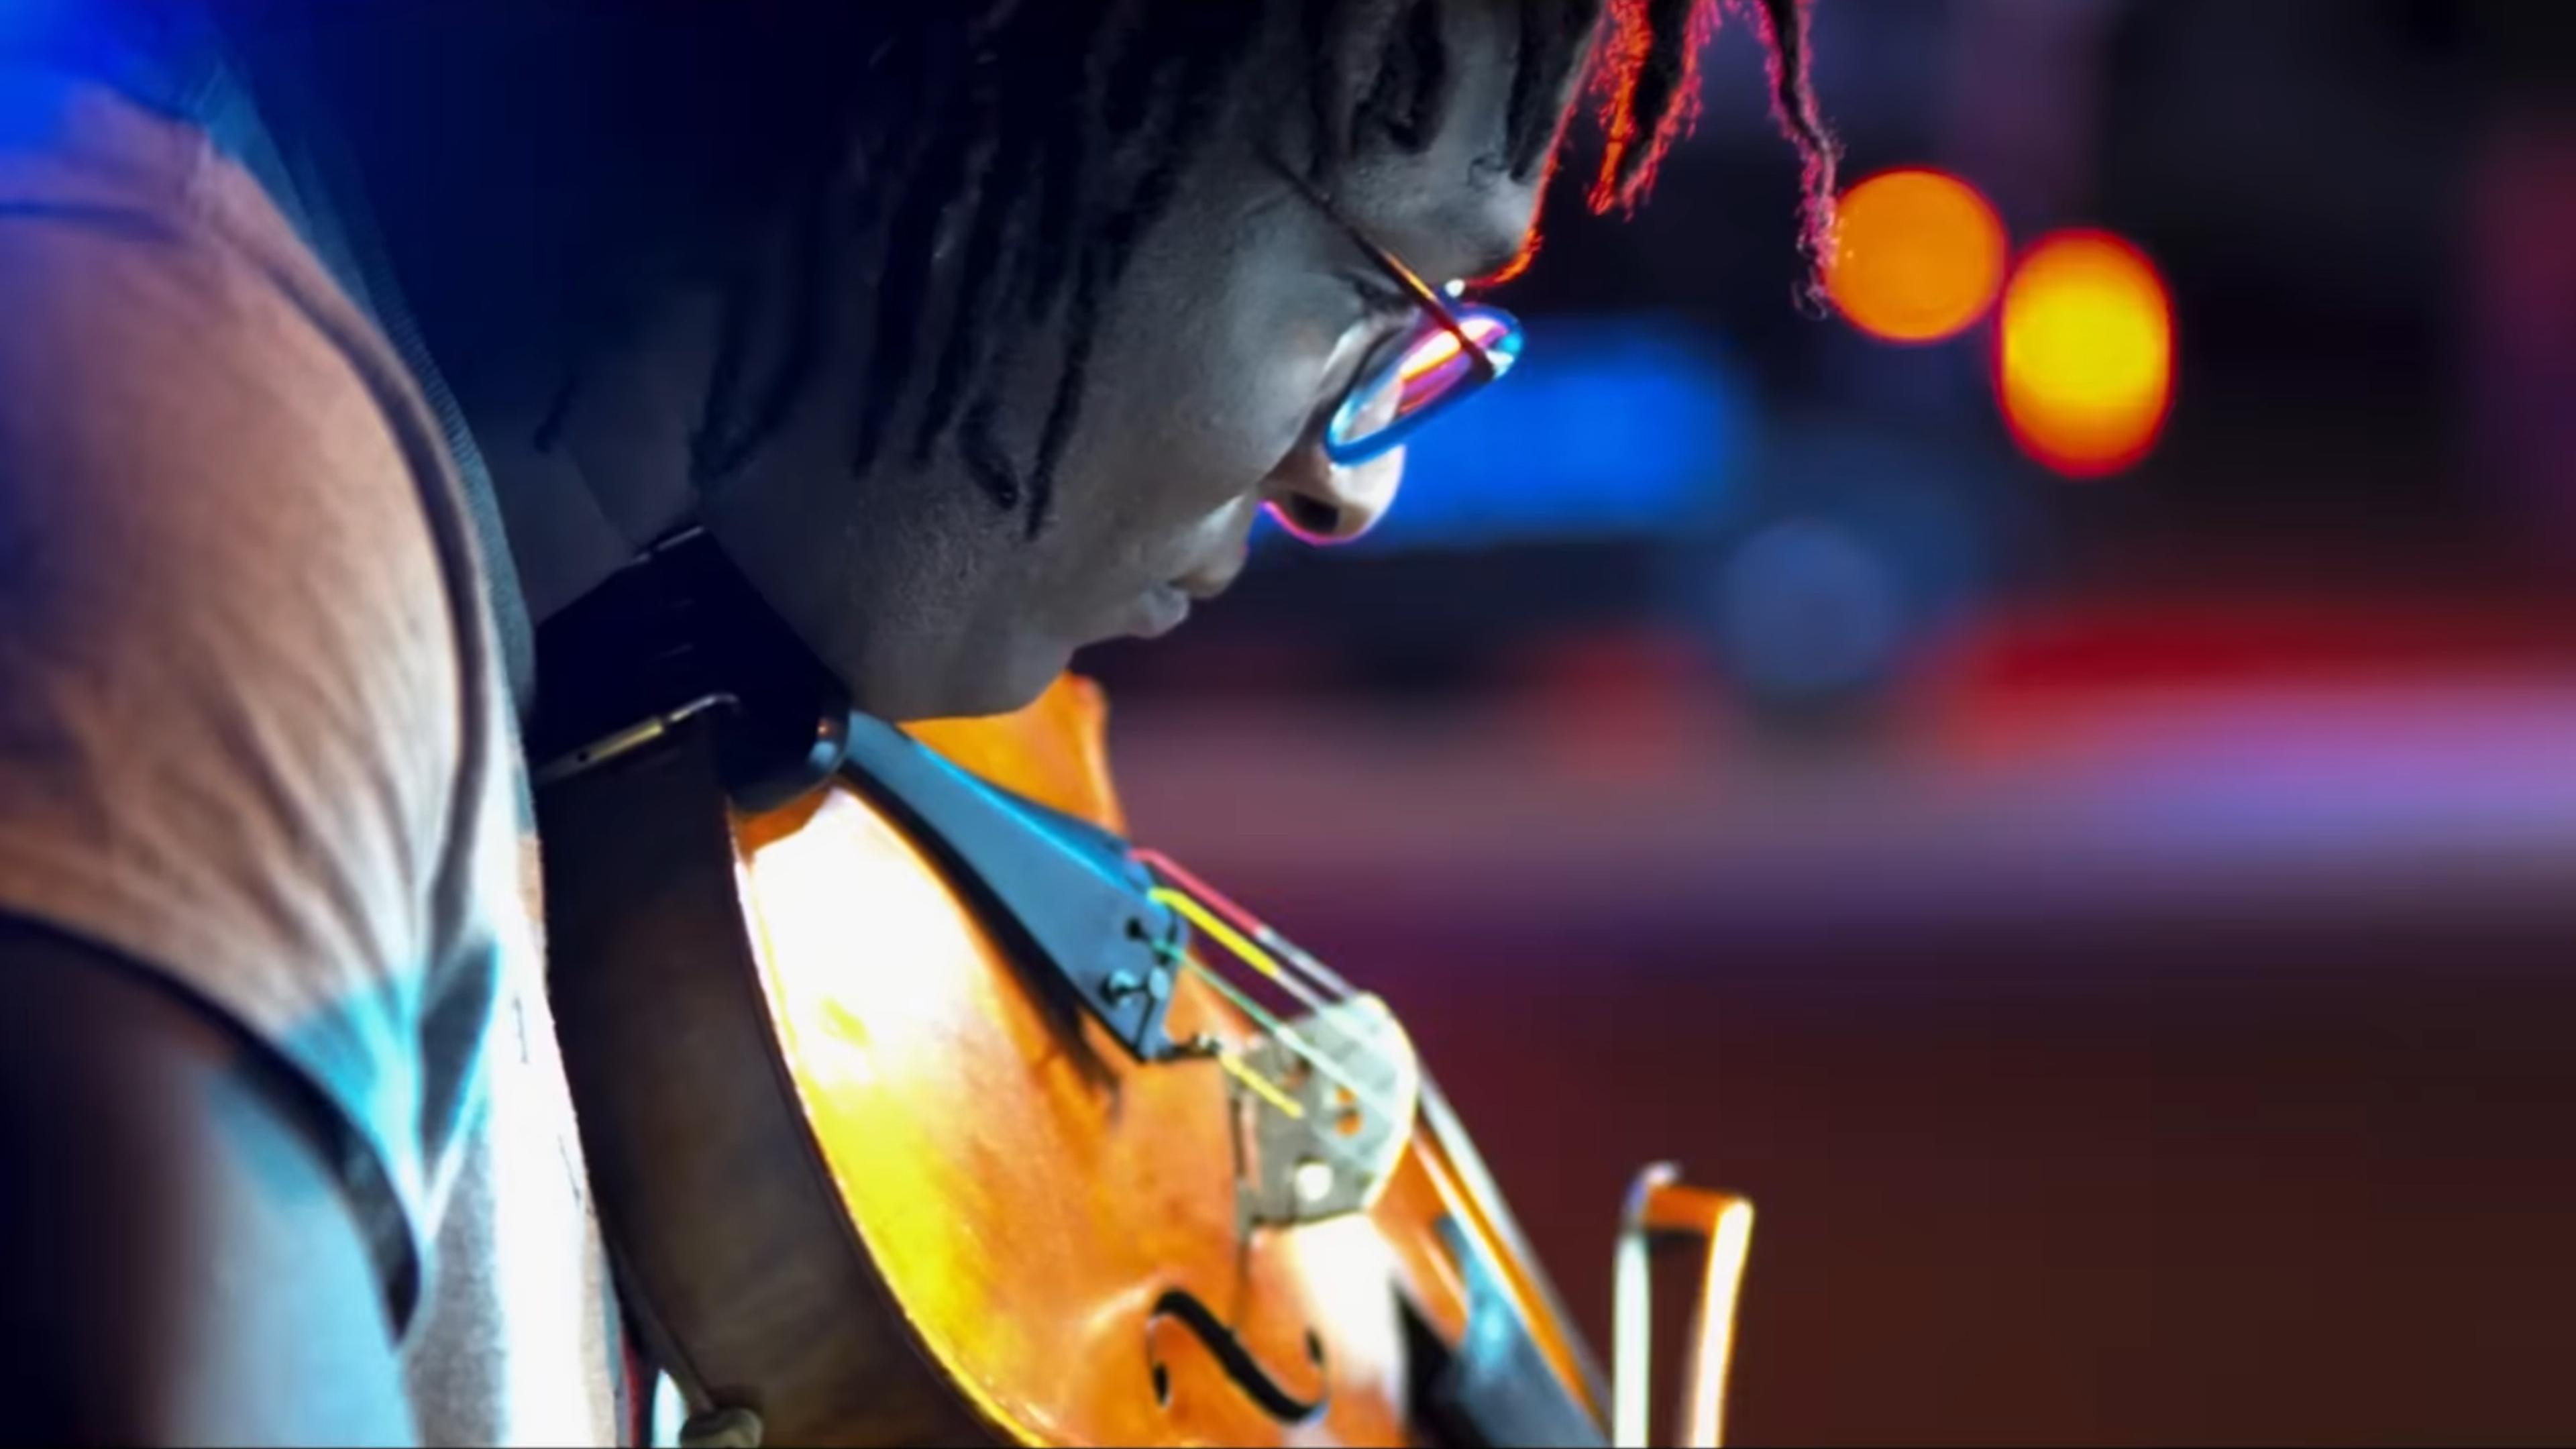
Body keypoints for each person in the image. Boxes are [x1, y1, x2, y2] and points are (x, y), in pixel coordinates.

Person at [0, 1, 1835, 1443]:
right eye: (1376, 290)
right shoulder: (200, 492)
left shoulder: (431, 543)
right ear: (988, 77)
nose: (1343, 485)